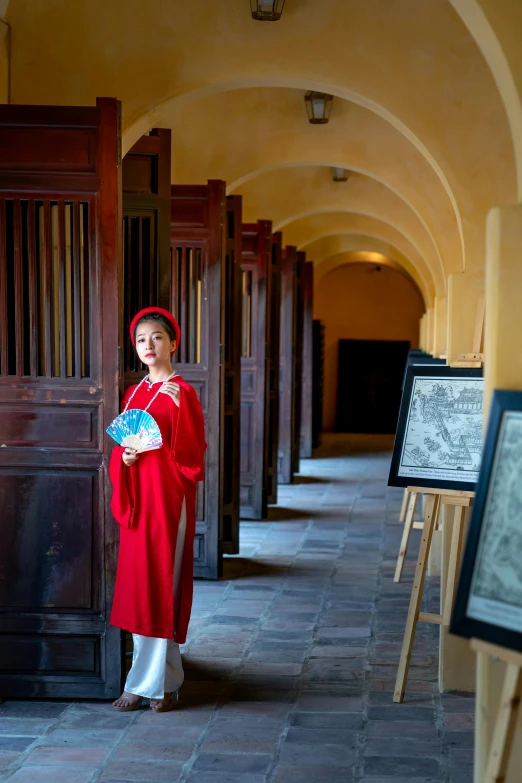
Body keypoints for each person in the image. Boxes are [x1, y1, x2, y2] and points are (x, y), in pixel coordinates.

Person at [108, 307, 206, 712]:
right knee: (138, 588)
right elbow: (121, 448)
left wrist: (179, 410)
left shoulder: (183, 392)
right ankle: (166, 680)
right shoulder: (134, 394)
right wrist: (126, 460)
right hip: (138, 500)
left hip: (168, 498)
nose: (149, 346)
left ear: (173, 342)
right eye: (141, 340)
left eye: (157, 338)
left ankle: (144, 686)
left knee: (160, 584)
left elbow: (193, 455)